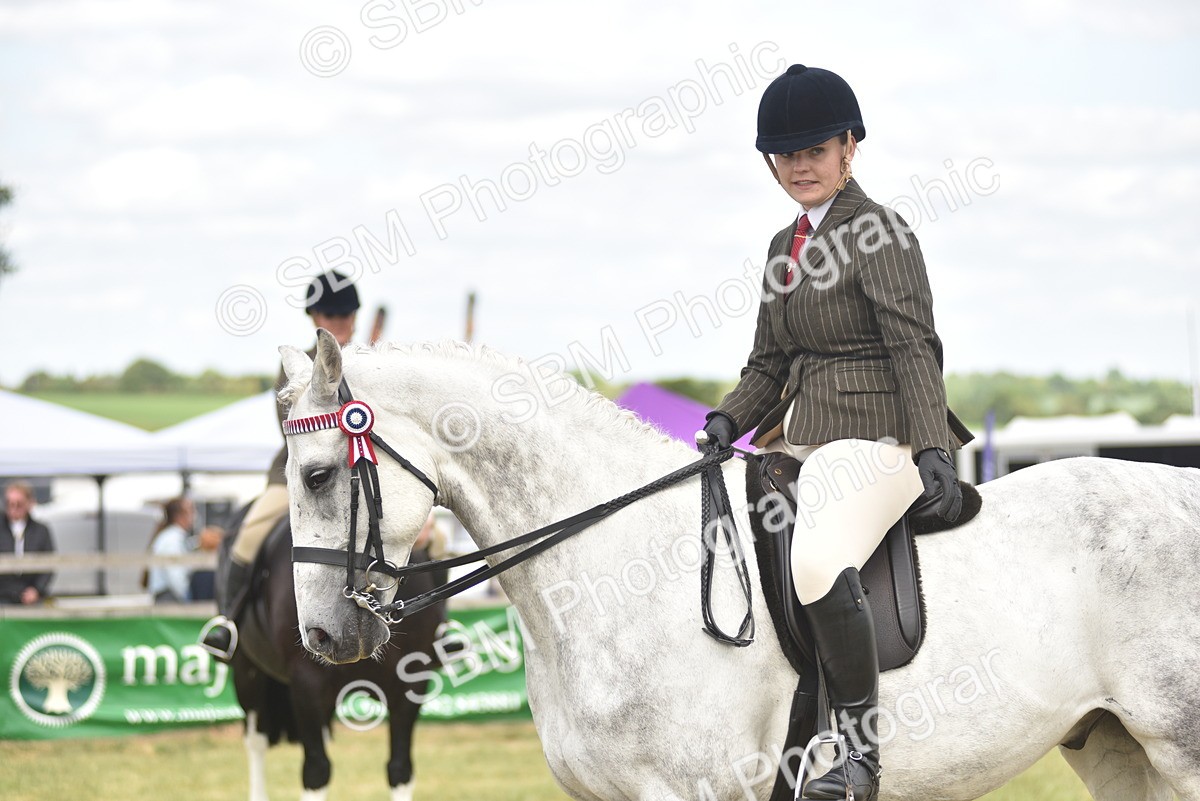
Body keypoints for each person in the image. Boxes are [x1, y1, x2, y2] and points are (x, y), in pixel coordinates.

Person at [700, 65, 974, 801]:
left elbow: (914, 346)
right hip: (798, 442)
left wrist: (931, 450)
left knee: (817, 560)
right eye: (785, 155)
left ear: (849, 147)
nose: (799, 165)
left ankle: (859, 759)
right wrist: (729, 416)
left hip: (878, 441)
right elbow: (770, 363)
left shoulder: (878, 230)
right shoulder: (780, 245)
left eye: (814, 150)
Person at [201, 270, 360, 659]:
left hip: (365, 470)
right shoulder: (299, 365)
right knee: (249, 535)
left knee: (431, 538)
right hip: (299, 468)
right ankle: (227, 621)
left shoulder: (369, 361)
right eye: (332, 316)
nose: (340, 323)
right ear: (315, 317)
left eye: (346, 315)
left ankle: (440, 628)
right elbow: (289, 426)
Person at [0, 482, 55, 605]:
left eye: (19, 504)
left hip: (32, 597)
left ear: (30, 503)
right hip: (2, 596)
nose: (13, 508)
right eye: (9, 504)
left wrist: (37, 590)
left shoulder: (41, 531)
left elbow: (50, 565)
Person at [147, 497, 197, 603]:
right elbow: (175, 575)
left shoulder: (170, 537)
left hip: (168, 595)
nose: (194, 516)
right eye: (190, 511)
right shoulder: (173, 539)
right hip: (169, 598)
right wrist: (187, 599)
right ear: (179, 516)